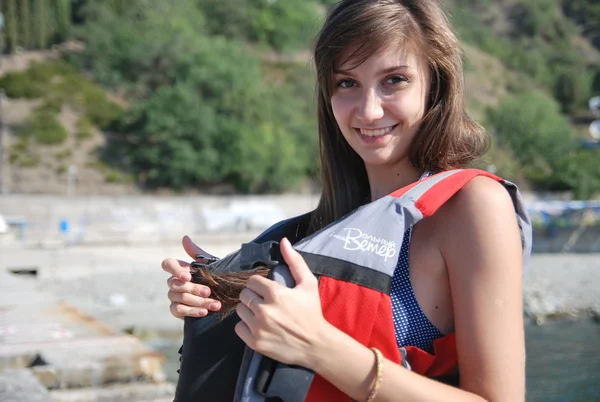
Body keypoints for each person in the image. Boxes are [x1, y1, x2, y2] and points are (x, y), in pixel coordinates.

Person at [161, 0, 527, 401]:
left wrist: (319, 347)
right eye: (347, 83)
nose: (369, 110)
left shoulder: (471, 207)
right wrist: (218, 292)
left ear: (434, 84)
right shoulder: (326, 226)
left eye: (395, 80)